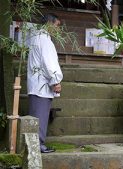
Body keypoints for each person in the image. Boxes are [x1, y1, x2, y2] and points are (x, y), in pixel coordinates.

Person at [27, 13, 63, 153]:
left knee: (36, 115)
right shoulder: (45, 40)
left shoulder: (36, 38)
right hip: (41, 85)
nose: (58, 29)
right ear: (49, 24)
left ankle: (34, 145)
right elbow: (49, 63)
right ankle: (39, 145)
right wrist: (56, 81)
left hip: (36, 84)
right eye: (57, 25)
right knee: (40, 116)